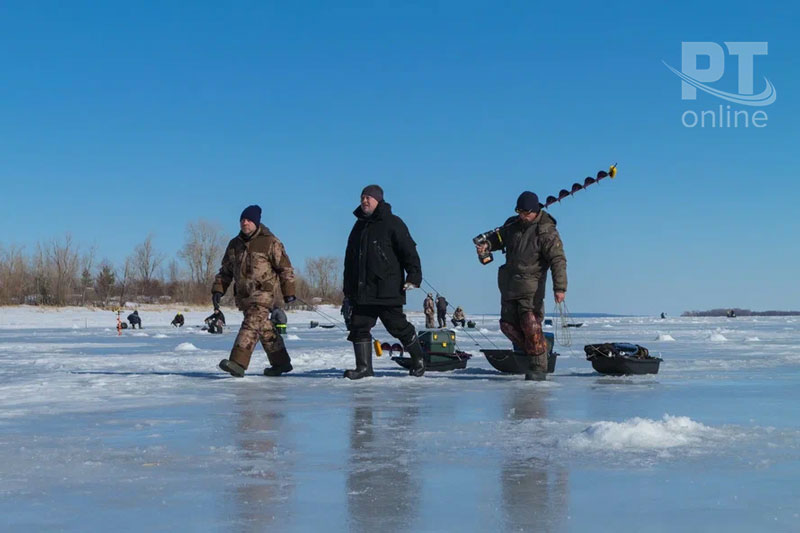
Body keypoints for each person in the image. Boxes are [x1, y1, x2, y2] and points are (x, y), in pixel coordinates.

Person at [475, 191, 567, 381]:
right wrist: (487, 245)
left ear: (535, 211)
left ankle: (539, 367)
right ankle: (535, 353)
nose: (522, 216)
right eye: (519, 212)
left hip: (531, 287)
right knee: (507, 326)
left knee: (530, 324)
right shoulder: (512, 225)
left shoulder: (546, 231)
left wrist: (560, 287)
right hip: (508, 285)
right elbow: (499, 238)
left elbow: (558, 260)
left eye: (525, 213)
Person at [342, 184, 426, 379]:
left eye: (368, 198)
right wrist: (348, 289)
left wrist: (414, 276)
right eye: (362, 197)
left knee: (397, 326)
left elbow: (409, 251)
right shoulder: (358, 226)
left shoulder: (393, 223)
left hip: (387, 287)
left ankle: (419, 359)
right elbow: (350, 260)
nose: (364, 201)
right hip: (363, 290)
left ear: (378, 200)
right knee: (359, 326)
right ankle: (364, 368)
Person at [213, 205, 296, 377]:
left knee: (251, 324)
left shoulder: (270, 241)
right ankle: (281, 363)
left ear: (256, 223)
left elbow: (285, 268)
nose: (245, 223)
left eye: (249, 220)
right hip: (244, 296)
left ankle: (238, 363)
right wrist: (218, 289)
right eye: (242, 220)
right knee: (264, 328)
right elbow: (226, 271)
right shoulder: (234, 244)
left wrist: (289, 291)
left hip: (263, 294)